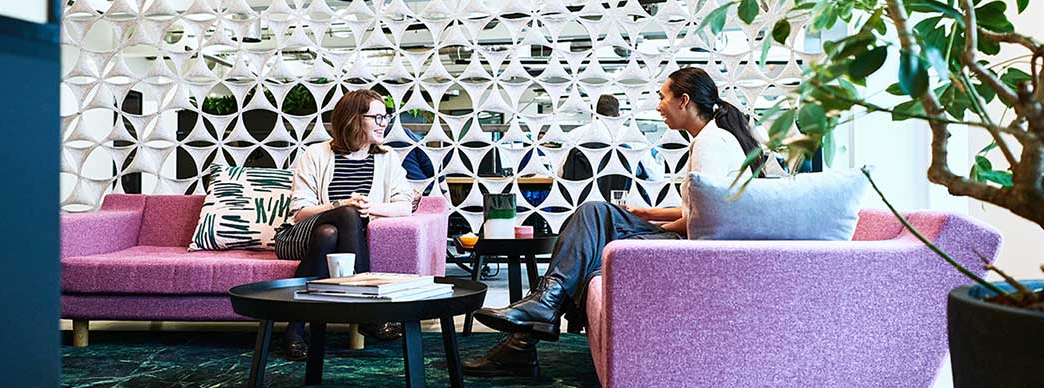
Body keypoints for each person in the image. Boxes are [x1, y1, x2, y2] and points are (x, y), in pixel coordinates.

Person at [462, 67, 783, 376]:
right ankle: (535, 319)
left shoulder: (710, 143)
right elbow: (702, 208)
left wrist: (636, 231)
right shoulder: (714, 137)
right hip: (694, 239)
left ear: (684, 101)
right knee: (594, 223)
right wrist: (648, 215)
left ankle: (538, 313)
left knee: (593, 221)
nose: (658, 106)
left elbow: (701, 221)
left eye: (663, 97)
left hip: (692, 248)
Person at [273, 89, 417, 361]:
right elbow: (300, 212)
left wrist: (369, 207)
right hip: (298, 236)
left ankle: (294, 330)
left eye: (385, 116)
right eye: (376, 117)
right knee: (343, 217)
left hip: (332, 241)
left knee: (330, 233)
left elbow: (403, 205)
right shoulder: (315, 154)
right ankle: (368, 311)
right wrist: (342, 205)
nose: (383, 123)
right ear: (353, 119)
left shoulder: (387, 158)